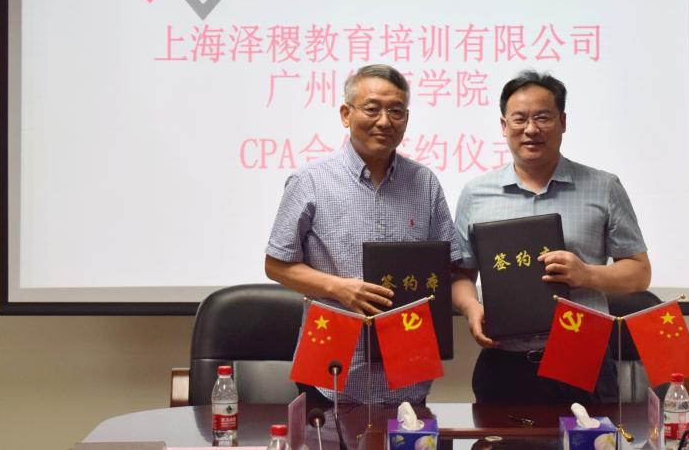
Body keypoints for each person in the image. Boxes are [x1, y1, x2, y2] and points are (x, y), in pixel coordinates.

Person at [265, 64, 461, 405]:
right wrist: (338, 288)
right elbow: (276, 265)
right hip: (330, 361)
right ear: (346, 114)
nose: (384, 121)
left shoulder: (424, 182)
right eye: (372, 109)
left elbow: (448, 266)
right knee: (326, 434)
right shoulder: (310, 181)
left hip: (407, 360)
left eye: (396, 111)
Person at [451, 70, 651, 404]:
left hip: (581, 353)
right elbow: (461, 274)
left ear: (563, 122)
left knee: (588, 433)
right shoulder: (476, 193)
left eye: (543, 117)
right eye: (519, 119)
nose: (531, 129)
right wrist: (471, 307)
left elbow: (640, 272)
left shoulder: (603, 187)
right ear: (504, 126)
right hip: (503, 360)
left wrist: (586, 274)